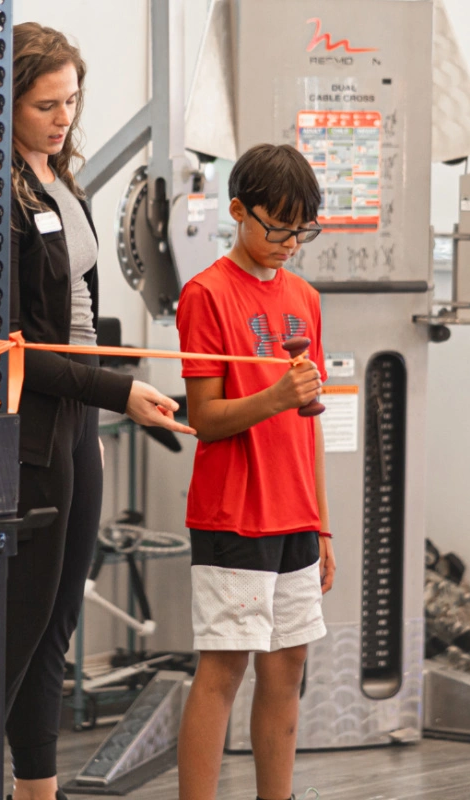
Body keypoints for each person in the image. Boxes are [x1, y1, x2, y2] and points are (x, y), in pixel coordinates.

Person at [0, 22, 195, 800]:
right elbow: (6, 350)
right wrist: (121, 394)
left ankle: (38, 793)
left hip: (69, 425)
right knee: (7, 640)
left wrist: (93, 421)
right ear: (2, 105)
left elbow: (76, 323)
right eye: (46, 104)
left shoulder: (60, 183)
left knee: (53, 632)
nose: (63, 117)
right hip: (15, 433)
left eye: (71, 100)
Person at [174, 143, 336, 800]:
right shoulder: (206, 295)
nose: (290, 244)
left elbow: (310, 423)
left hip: (295, 514)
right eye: (278, 228)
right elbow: (205, 418)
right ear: (239, 211)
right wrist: (275, 396)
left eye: (302, 231)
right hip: (235, 514)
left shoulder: (305, 298)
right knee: (223, 669)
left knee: (288, 665)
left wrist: (322, 525)